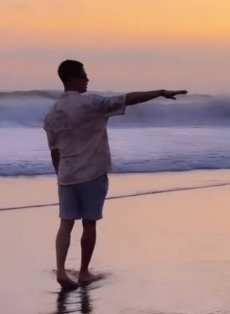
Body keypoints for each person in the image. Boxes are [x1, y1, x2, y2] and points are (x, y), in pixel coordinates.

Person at [44, 60, 186, 290]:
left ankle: (61, 270)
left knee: (66, 223)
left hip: (66, 175)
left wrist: (59, 175)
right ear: (72, 79)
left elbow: (54, 151)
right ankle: (83, 272)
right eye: (84, 75)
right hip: (92, 172)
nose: (87, 80)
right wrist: (159, 92)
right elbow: (127, 99)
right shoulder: (91, 103)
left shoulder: (52, 113)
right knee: (89, 223)